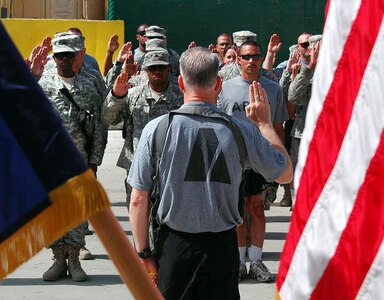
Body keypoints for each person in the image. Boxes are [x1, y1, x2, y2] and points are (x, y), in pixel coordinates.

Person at [122, 46, 292, 299]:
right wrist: (266, 125)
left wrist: (143, 253)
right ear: (219, 83)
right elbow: (285, 174)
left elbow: (138, 199)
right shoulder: (240, 130)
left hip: (174, 247)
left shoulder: (157, 129)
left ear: (180, 82)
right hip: (222, 247)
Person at [218, 41, 288, 282]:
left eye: (256, 56)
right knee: (237, 211)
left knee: (257, 208)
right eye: (247, 56)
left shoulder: (273, 88)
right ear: (238, 59)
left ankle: (256, 261)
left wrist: (279, 159)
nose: (252, 61)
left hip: (262, 157)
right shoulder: (224, 88)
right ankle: (238, 262)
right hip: (233, 158)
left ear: (261, 59)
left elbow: (278, 126)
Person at [38, 32, 104, 282]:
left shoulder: (88, 87)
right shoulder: (43, 86)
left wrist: (94, 162)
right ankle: (57, 258)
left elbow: (98, 127)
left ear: (79, 56)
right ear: (53, 58)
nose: (63, 60)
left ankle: (74, 259)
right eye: (58, 55)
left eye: (68, 55)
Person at [102, 49, 183, 211]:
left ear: (169, 69)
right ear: (146, 71)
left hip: (172, 166)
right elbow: (106, 119)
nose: (157, 72)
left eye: (161, 67)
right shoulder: (133, 95)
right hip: (138, 165)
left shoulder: (181, 97)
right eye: (152, 68)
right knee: (138, 213)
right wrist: (116, 97)